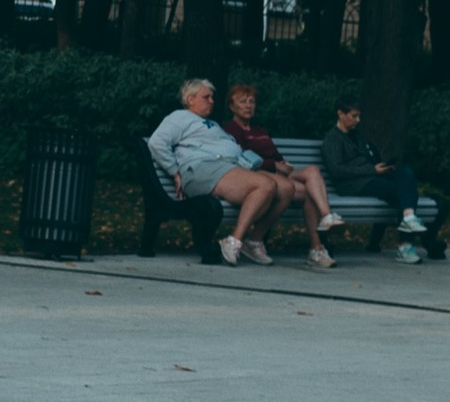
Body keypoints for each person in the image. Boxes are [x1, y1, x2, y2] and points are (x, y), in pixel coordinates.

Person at [147, 78, 288, 265]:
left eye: (212, 97)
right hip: (204, 169)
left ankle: (253, 242)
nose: (212, 101)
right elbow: (156, 143)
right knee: (265, 185)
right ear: (190, 99)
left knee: (286, 188)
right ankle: (234, 241)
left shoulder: (211, 123)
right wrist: (174, 172)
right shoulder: (179, 117)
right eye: (206, 97)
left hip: (229, 166)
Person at [224, 82, 339, 272]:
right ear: (232, 106)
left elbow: (275, 154)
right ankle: (315, 248)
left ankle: (326, 220)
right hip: (256, 176)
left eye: (252, 101)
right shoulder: (230, 130)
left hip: (278, 173)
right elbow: (241, 158)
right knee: (309, 192)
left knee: (312, 171)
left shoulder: (260, 131)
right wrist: (273, 165)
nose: (248, 105)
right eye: (243, 101)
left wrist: (283, 163)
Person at [321, 100, 433, 261]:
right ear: (340, 113)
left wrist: (381, 168)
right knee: (403, 193)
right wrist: (372, 170)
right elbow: (337, 170)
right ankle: (406, 245)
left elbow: (368, 161)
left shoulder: (356, 136)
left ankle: (409, 217)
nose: (358, 120)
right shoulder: (332, 138)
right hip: (353, 185)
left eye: (359, 116)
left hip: (371, 178)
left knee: (405, 174)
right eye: (354, 116)